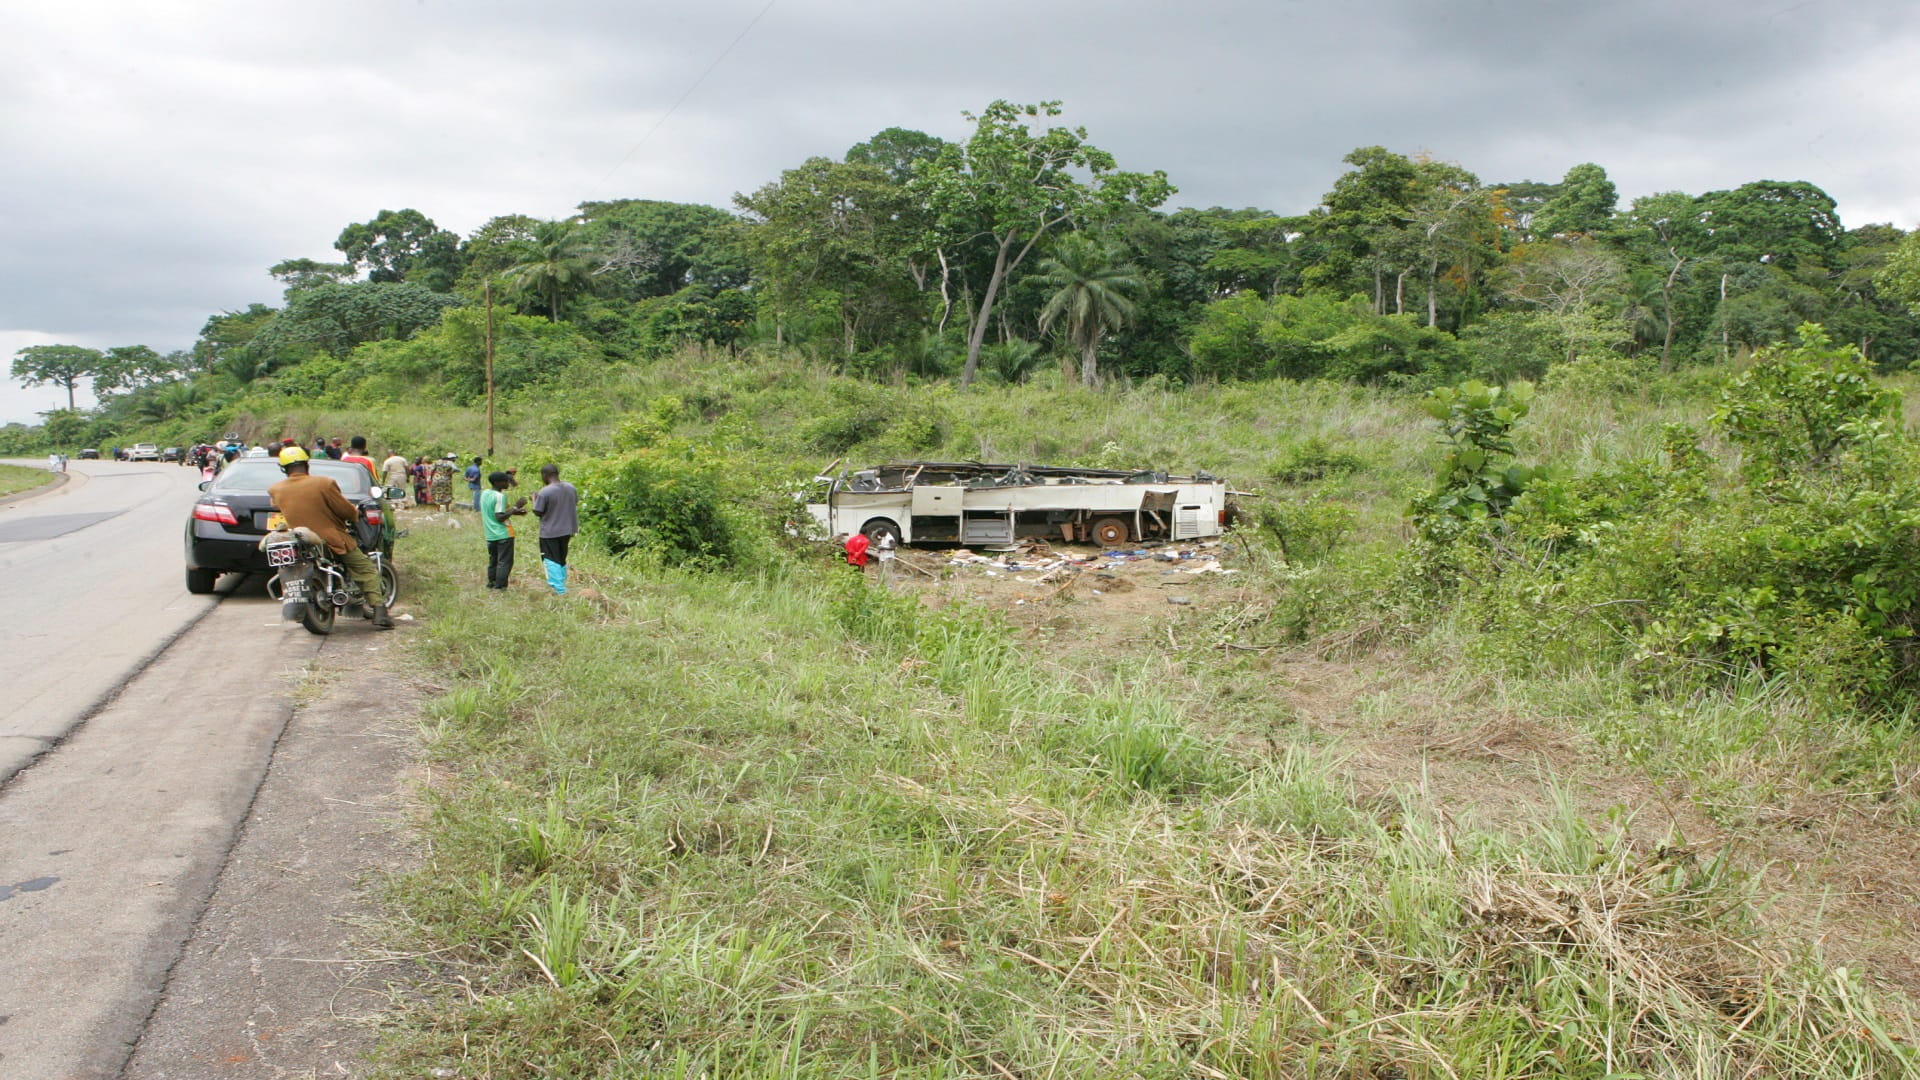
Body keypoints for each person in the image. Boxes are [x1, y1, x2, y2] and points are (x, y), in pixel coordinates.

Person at [268, 446, 392, 630]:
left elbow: (278, 505)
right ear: (306, 465)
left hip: (300, 540)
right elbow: (345, 510)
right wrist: (354, 514)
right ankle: (380, 611)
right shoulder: (324, 483)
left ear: (284, 468)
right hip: (330, 538)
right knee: (366, 569)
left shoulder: (275, 489)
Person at [530, 464, 579, 595]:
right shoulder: (571, 488)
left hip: (550, 531)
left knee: (551, 559)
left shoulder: (545, 492)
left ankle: (559, 589)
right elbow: (573, 503)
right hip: (568, 529)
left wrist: (534, 499)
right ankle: (561, 582)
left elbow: (538, 511)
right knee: (561, 557)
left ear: (545, 475)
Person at [480, 471, 527, 590]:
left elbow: (493, 511)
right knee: (504, 562)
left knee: (493, 560)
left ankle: (491, 583)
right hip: (503, 534)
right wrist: (516, 507)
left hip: (490, 534)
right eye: (505, 481)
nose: (508, 483)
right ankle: (500, 587)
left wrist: (515, 512)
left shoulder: (485, 493)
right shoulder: (500, 496)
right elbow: (500, 517)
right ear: (497, 483)